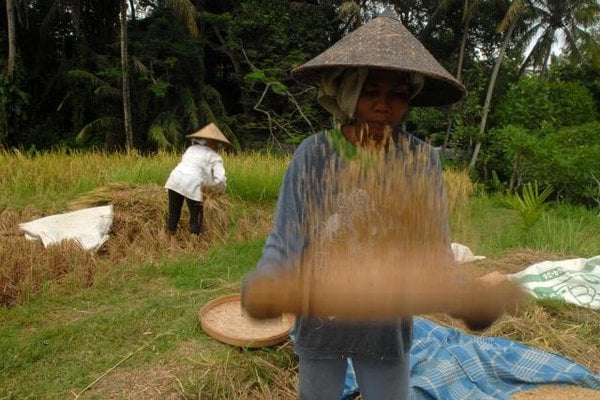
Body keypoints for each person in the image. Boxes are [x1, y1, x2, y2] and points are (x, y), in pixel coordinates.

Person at [241, 10, 509, 400]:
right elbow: (285, 240)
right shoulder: (314, 156)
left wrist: (463, 295)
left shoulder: (419, 162)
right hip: (320, 322)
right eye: (371, 92)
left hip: (386, 326)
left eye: (397, 95)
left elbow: (432, 250)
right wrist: (268, 279)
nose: (384, 106)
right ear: (349, 94)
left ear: (408, 100)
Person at [164, 123, 229, 235]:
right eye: (217, 144)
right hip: (193, 183)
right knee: (196, 216)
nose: (218, 147)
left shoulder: (192, 149)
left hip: (175, 179)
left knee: (173, 213)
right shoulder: (215, 157)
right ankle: (195, 243)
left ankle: (169, 240)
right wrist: (218, 191)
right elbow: (220, 179)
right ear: (213, 143)